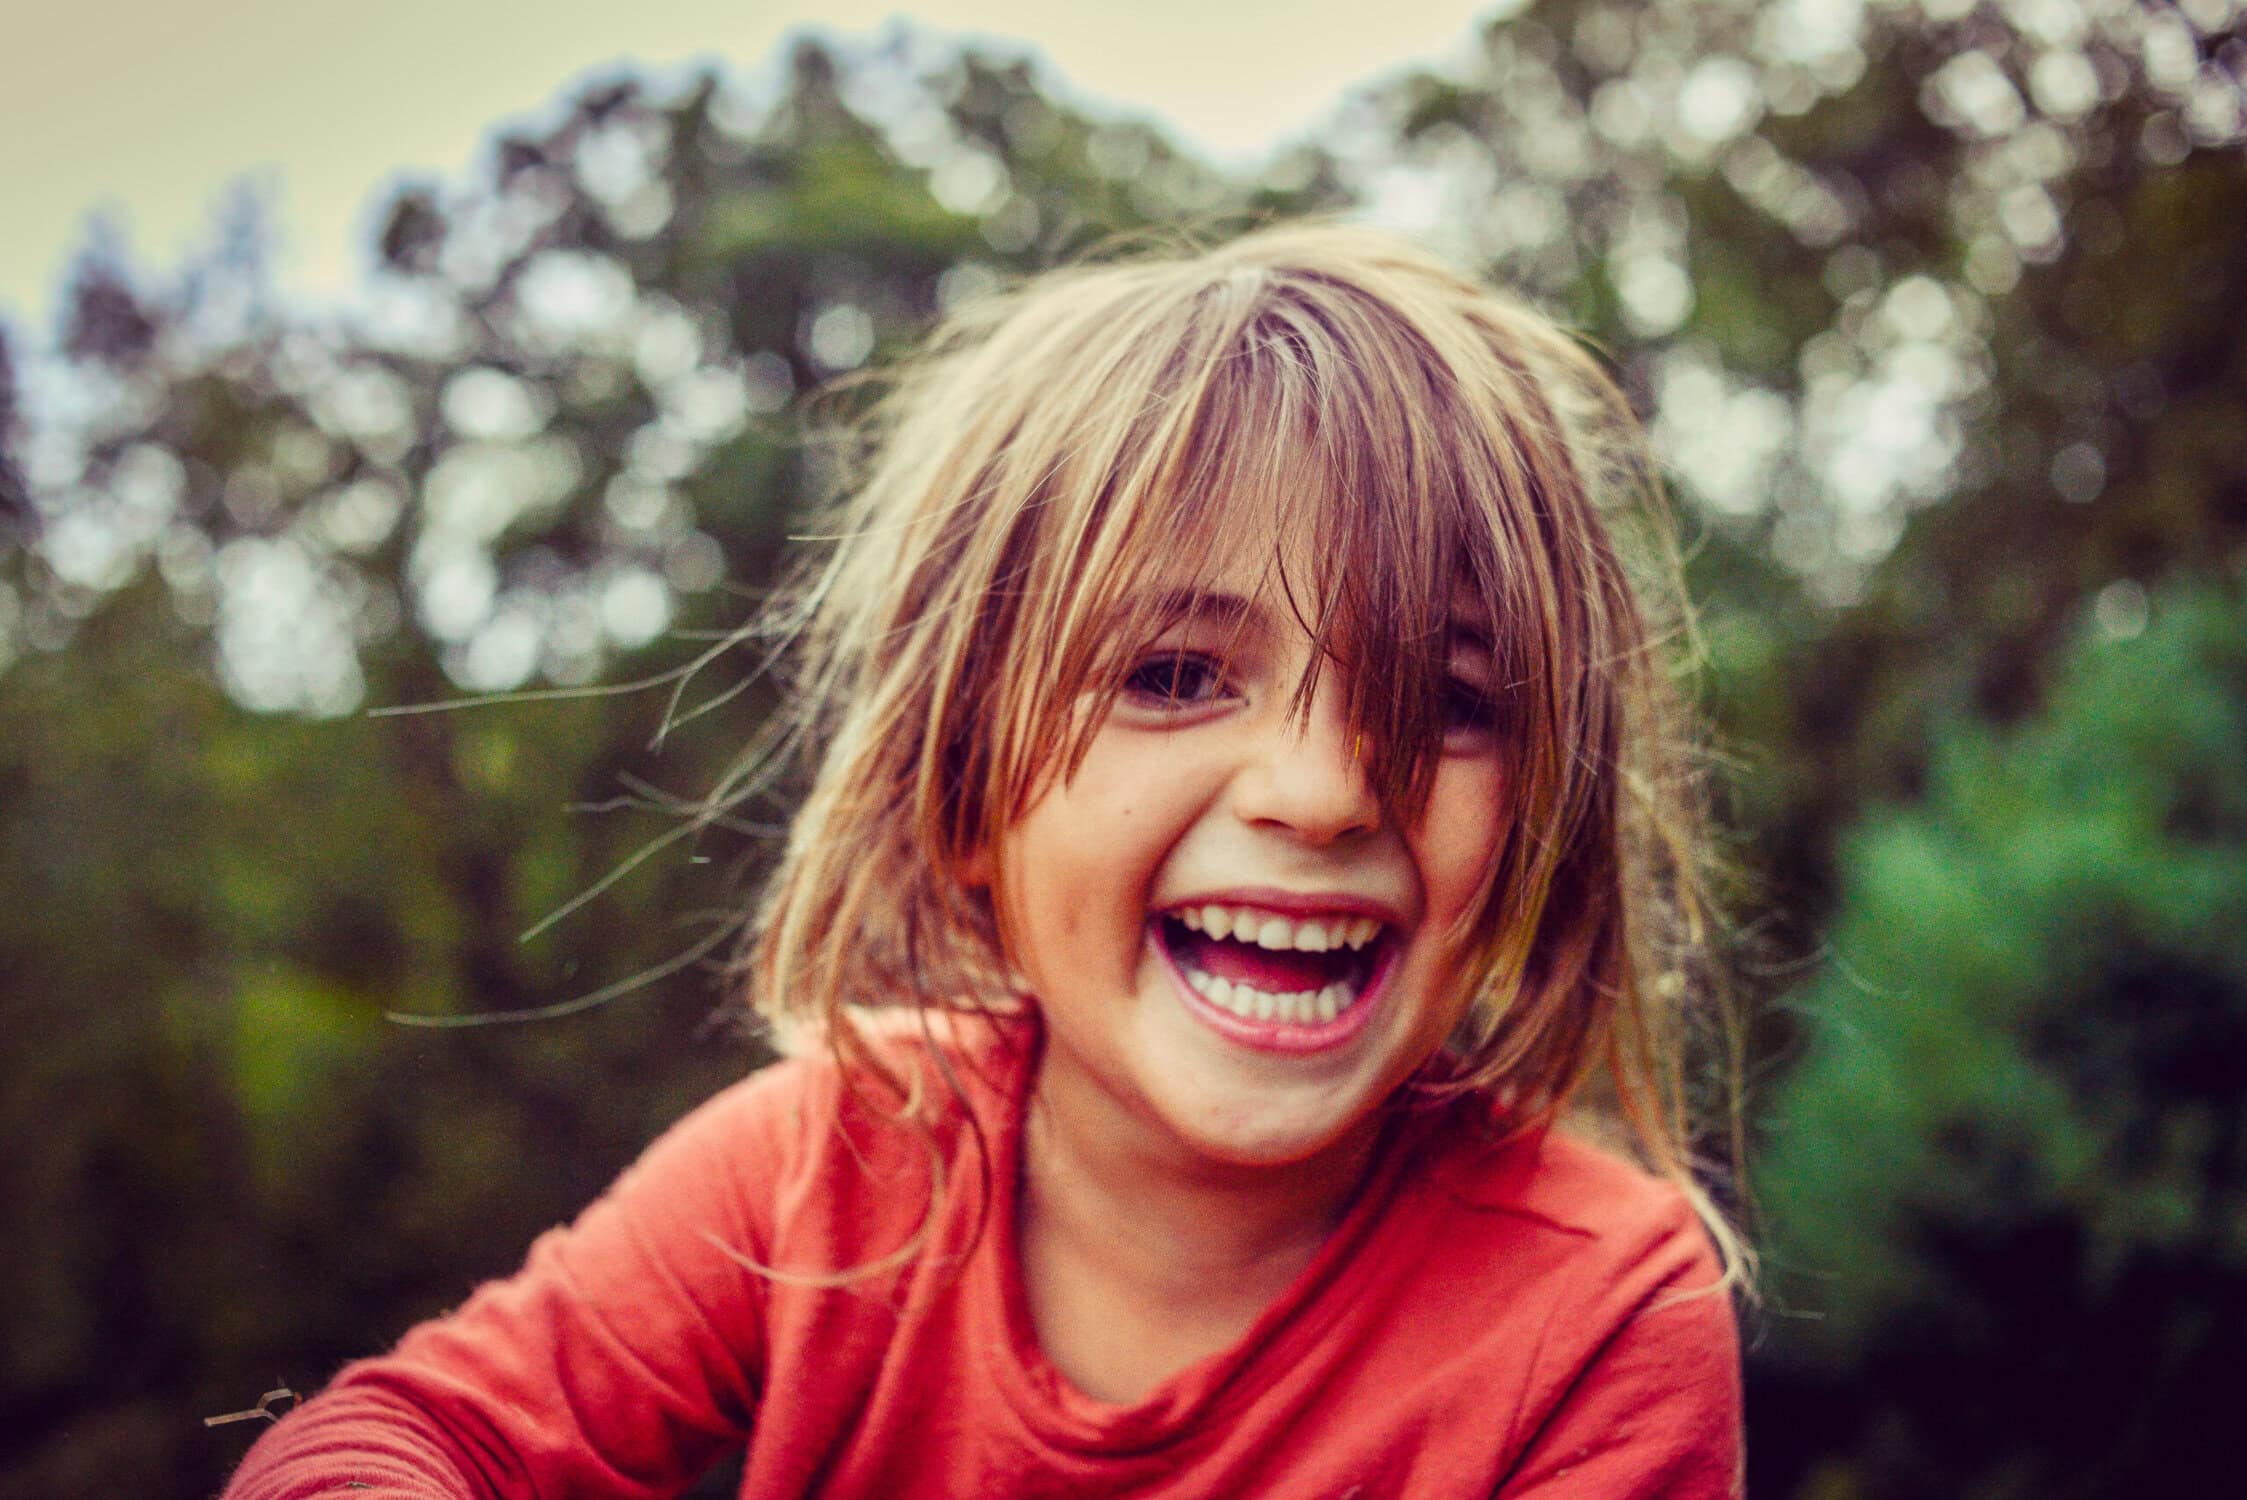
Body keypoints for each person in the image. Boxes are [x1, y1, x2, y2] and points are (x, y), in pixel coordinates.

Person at [224, 224, 1748, 1498]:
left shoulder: (1600, 1310)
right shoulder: (832, 1160)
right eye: (1171, 676)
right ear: (963, 791)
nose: (1327, 789)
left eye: (1454, 705)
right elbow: (402, 1436)